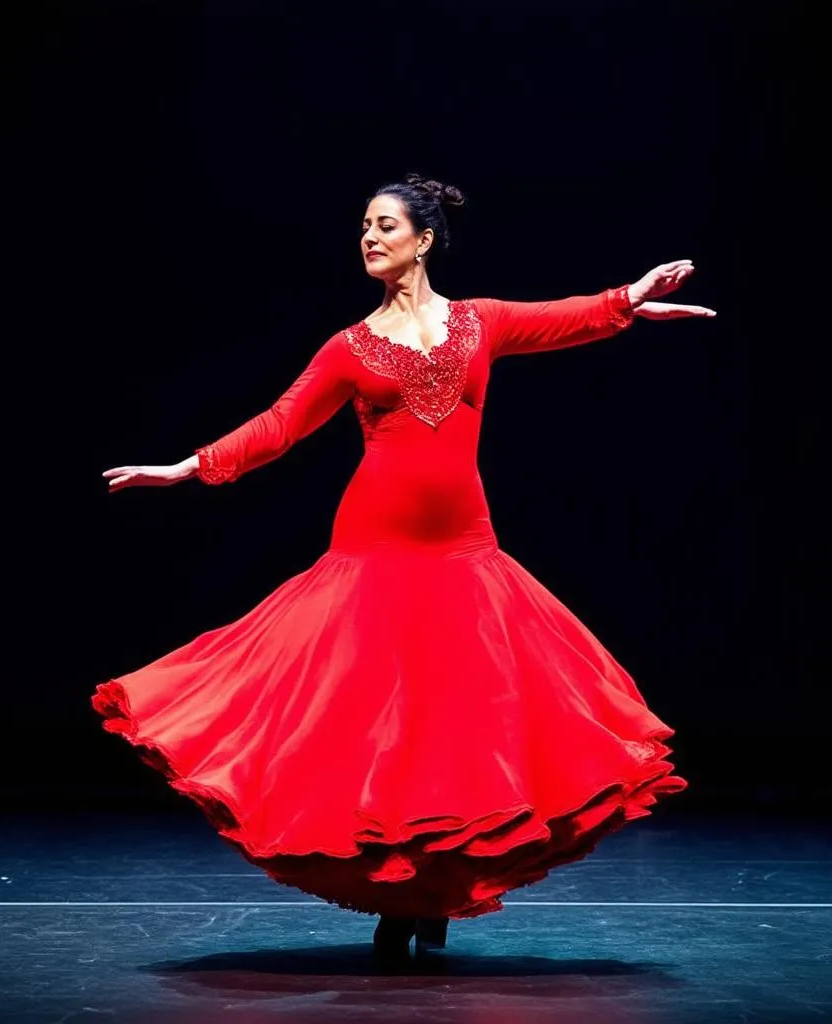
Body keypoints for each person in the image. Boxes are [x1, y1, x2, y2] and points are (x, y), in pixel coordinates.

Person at [94, 173, 716, 961]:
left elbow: (560, 320)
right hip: (373, 552)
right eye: (362, 226)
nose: (368, 237)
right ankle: (397, 899)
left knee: (457, 730)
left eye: (384, 225)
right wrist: (190, 466)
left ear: (423, 240)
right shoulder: (349, 348)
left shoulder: (478, 323)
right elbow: (282, 425)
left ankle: (437, 897)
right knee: (380, 733)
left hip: (463, 552)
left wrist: (628, 298)